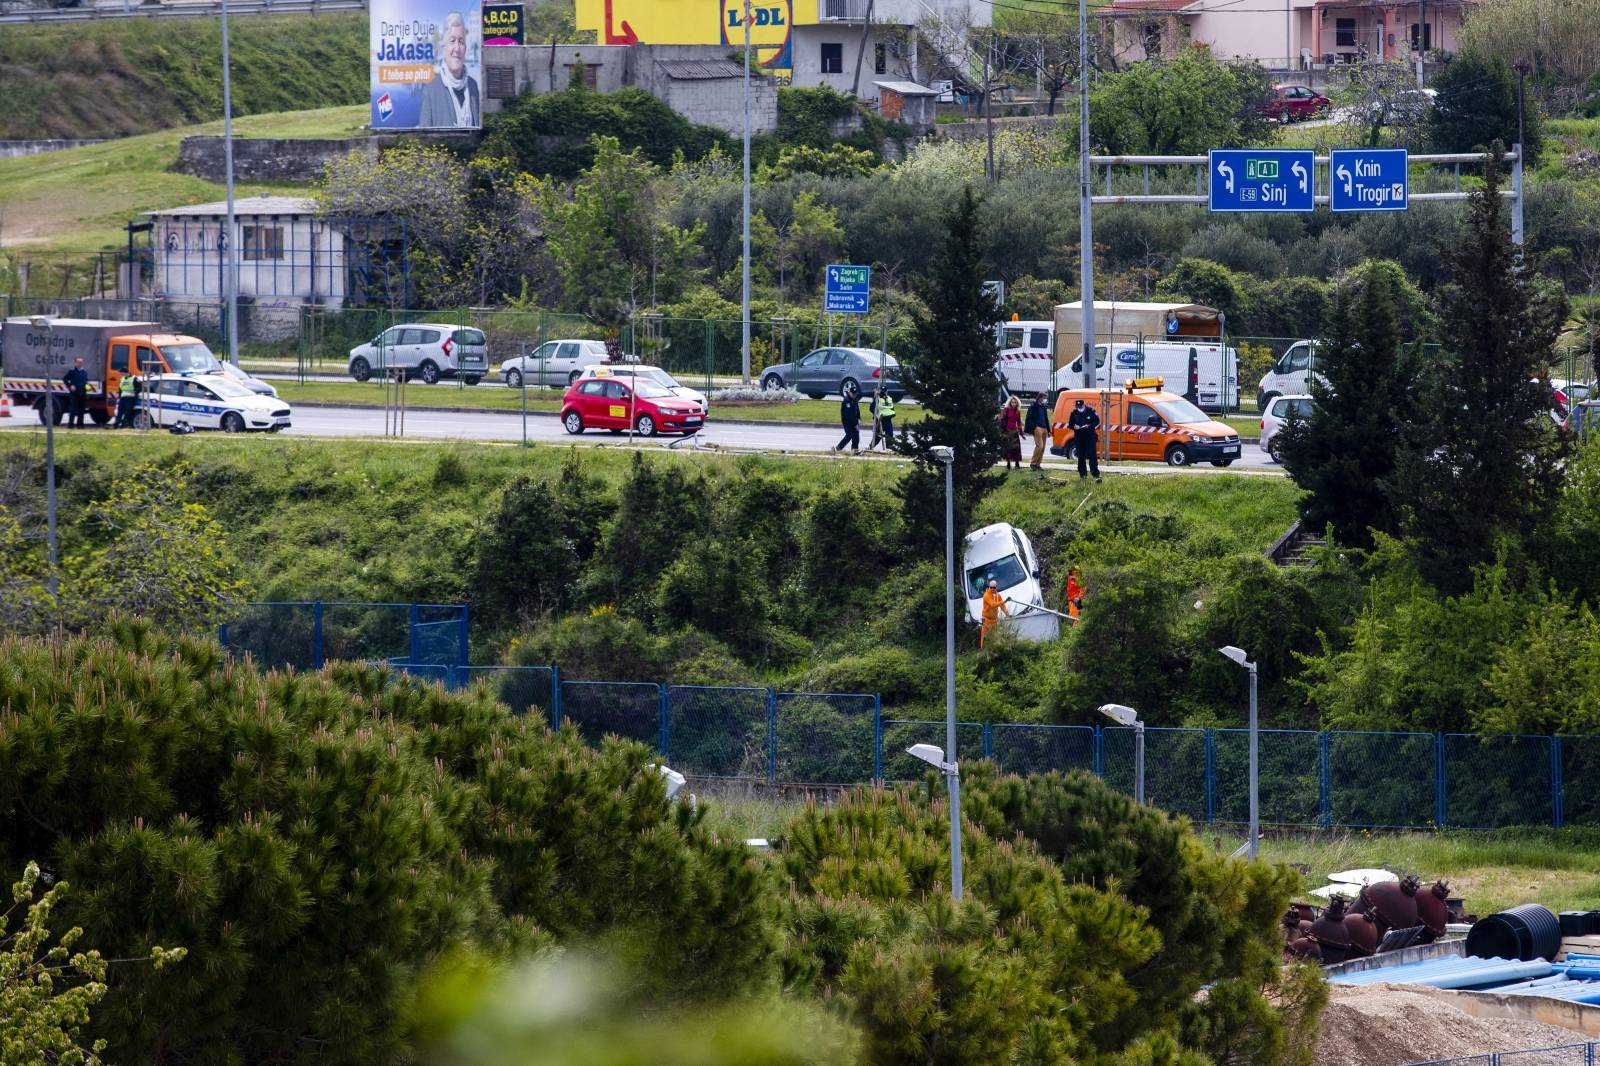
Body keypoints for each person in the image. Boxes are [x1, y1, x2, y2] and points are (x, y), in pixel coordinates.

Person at [417, 12, 481, 129]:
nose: (457, 48)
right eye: (452, 41)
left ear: (465, 48)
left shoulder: (473, 86)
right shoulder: (431, 89)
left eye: (461, 42)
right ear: (443, 46)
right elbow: (423, 137)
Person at [1067, 397, 1102, 481]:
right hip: (1079, 437)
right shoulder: (1074, 413)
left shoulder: (1090, 411)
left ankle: (1095, 474)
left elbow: (1097, 421)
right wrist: (1074, 426)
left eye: (1080, 406)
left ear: (1083, 405)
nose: (1079, 408)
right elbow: (1070, 424)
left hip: (1089, 436)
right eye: (1077, 406)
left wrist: (1089, 425)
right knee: (1081, 456)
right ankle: (1082, 475)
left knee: (1092, 455)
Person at [980, 578, 1010, 648]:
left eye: (994, 587)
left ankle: (993, 651)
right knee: (984, 637)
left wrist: (1007, 614)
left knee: (994, 637)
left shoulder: (998, 596)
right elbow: (993, 604)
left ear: (996, 587)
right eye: (991, 587)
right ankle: (983, 651)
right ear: (989, 587)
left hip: (994, 620)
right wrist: (1004, 601)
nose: (992, 589)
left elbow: (1003, 606)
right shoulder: (986, 595)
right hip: (986, 620)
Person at [1024, 392, 1049, 471]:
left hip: (1044, 428)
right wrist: (1034, 427)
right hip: (1038, 428)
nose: (1045, 400)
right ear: (1040, 397)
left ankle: (1038, 465)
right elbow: (1029, 417)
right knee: (1039, 446)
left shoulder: (1043, 407)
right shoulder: (1033, 406)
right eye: (1044, 398)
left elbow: (1046, 418)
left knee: (1043, 448)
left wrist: (1048, 429)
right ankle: (1033, 463)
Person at [62, 357, 89, 428]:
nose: (80, 363)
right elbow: (65, 379)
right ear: (75, 363)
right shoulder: (72, 371)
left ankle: (80, 425)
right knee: (73, 409)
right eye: (78, 362)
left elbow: (85, 381)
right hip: (74, 394)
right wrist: (70, 386)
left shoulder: (84, 372)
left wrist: (87, 387)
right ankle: (70, 425)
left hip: (82, 393)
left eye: (81, 362)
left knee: (81, 410)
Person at [835, 383, 861, 454]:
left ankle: (854, 450)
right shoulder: (846, 401)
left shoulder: (855, 399)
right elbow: (850, 415)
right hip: (847, 422)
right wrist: (855, 424)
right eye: (853, 394)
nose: (855, 395)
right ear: (849, 392)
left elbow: (857, 410)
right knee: (849, 435)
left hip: (854, 421)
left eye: (855, 394)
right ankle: (839, 447)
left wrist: (859, 419)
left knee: (856, 435)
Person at [1000, 395, 1023, 470]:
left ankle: (1017, 464)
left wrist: (1021, 433)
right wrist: (1002, 431)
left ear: (1017, 403)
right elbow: (1003, 420)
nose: (1013, 404)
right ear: (1010, 403)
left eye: (1015, 402)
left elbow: (1019, 423)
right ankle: (1008, 464)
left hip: (1015, 431)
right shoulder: (1006, 409)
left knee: (1017, 448)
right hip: (1007, 431)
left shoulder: (1018, 411)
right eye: (1012, 402)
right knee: (1008, 449)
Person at [868, 386, 896, 450]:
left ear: (887, 391)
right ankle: (871, 447)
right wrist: (876, 415)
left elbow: (891, 409)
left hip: (888, 420)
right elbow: (871, 408)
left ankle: (889, 449)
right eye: (882, 391)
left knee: (889, 435)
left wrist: (891, 415)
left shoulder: (889, 399)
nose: (884, 393)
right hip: (880, 420)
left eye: (885, 391)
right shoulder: (877, 399)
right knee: (878, 436)